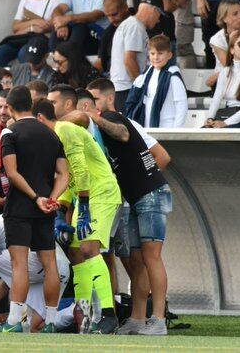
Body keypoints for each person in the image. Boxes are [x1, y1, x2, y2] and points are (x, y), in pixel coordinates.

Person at [87, 78, 173, 336]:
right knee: (136, 260)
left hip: (150, 194)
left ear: (109, 99)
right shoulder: (98, 130)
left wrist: (144, 178)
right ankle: (137, 318)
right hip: (134, 198)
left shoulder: (115, 119)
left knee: (151, 257)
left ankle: (158, 319)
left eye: (96, 102)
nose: (93, 109)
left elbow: (128, 137)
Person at [33, 99, 121, 334]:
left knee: (90, 248)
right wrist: (61, 210)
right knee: (74, 251)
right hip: (85, 196)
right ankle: (82, 314)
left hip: (100, 193)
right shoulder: (53, 139)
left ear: (41, 119)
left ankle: (109, 315)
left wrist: (82, 208)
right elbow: (70, 177)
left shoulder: (65, 130)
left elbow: (80, 170)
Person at [0, 86, 69, 333]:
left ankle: (14, 321)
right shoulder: (51, 134)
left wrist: (35, 197)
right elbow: (64, 174)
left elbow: (11, 172)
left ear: (12, 108)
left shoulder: (9, 132)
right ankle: (50, 322)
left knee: (19, 264)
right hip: (45, 208)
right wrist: (52, 198)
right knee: (50, 265)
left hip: (20, 206)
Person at [110, 0, 164, 112]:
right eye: (159, 15)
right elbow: (129, 60)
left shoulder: (130, 24)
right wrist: (140, 87)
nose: (158, 20)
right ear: (154, 10)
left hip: (122, 89)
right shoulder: (135, 26)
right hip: (127, 89)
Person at [126, 35, 187, 128]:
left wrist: (176, 132)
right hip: (148, 128)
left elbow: (182, 106)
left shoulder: (173, 76)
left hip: (168, 128)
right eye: (152, 53)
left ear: (169, 55)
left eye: (160, 53)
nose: (156, 57)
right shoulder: (145, 75)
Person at [206, 30, 240, 127]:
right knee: (202, 134)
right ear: (232, 49)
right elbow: (216, 99)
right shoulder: (225, 71)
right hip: (229, 114)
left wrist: (225, 123)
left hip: (235, 119)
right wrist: (210, 118)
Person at [206, 0, 240, 86]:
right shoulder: (217, 40)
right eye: (235, 14)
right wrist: (219, 75)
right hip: (226, 81)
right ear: (224, 18)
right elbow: (228, 66)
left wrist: (217, 76)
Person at [96, 0, 132, 73]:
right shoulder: (108, 32)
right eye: (108, 16)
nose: (111, 19)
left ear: (125, 7)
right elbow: (101, 62)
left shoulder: (138, 20)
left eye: (114, 14)